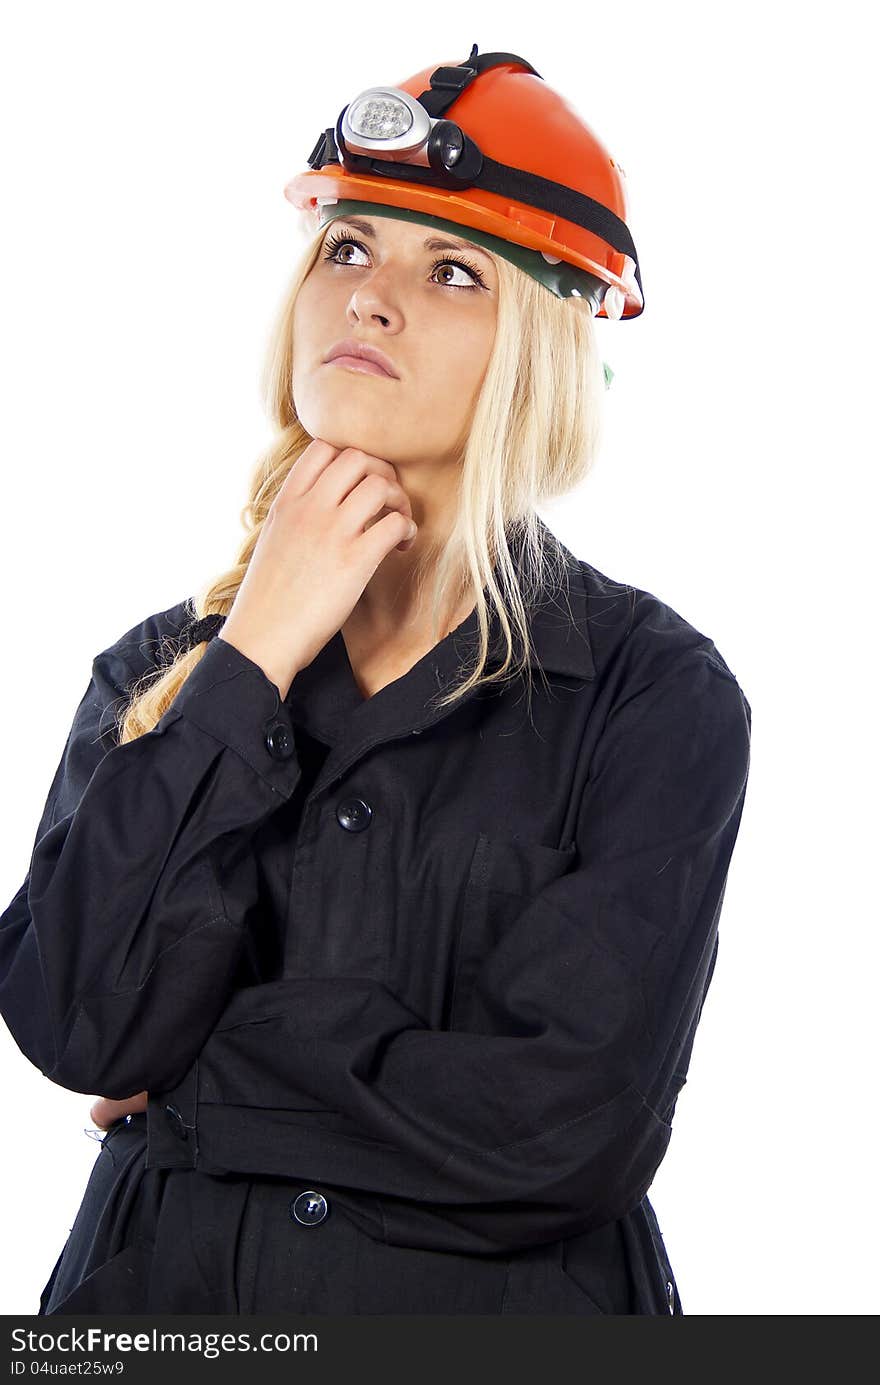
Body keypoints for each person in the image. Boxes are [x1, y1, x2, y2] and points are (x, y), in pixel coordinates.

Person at [0, 44, 751, 1315]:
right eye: (346, 248)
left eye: (451, 269)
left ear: (547, 344)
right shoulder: (161, 669)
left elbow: (564, 1127)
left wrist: (199, 1074)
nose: (369, 299)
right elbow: (78, 1023)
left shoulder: (649, 693)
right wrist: (252, 661)